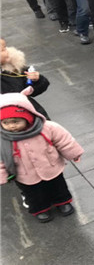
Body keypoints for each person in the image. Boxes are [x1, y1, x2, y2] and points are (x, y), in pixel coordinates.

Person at [0, 93, 84, 223]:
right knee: (33, 194)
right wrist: (2, 175)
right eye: (5, 123)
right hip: (25, 173)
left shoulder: (46, 128)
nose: (11, 126)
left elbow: (64, 141)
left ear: (28, 117)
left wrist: (73, 153)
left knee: (58, 186)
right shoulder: (3, 139)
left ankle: (62, 201)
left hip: (50, 166)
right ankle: (40, 209)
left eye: (16, 121)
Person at [1, 38, 50, 118]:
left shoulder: (13, 68)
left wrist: (37, 80)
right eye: (3, 50)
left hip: (26, 114)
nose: (7, 51)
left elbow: (34, 91)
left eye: (5, 47)